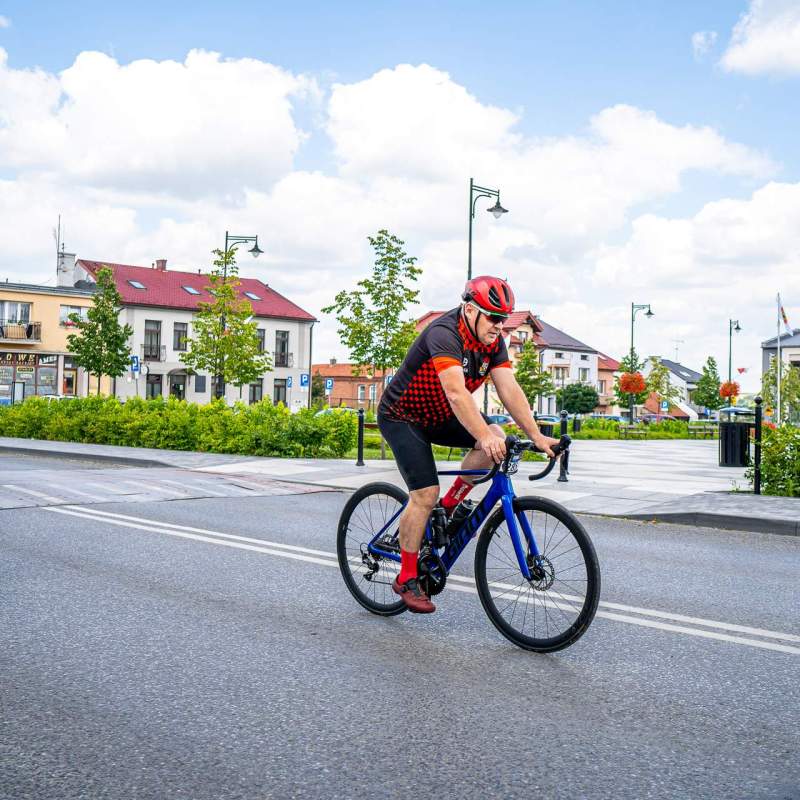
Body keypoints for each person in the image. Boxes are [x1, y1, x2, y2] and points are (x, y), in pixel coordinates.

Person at [377, 275, 560, 613]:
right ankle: (406, 577)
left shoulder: (494, 343)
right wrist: (483, 434)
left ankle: (449, 505)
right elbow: (456, 393)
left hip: (440, 416)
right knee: (424, 494)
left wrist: (535, 434)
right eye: (492, 317)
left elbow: (509, 389)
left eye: (504, 319)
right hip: (403, 416)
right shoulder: (444, 333)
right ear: (469, 309)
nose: (499, 326)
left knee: (498, 439)